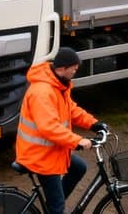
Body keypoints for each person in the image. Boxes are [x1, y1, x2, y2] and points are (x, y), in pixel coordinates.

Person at [16, 47, 108, 214]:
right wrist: (77, 141)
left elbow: (71, 110)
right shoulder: (43, 92)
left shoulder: (58, 85)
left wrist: (94, 124)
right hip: (39, 156)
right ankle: (55, 208)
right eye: (74, 67)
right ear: (63, 68)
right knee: (58, 206)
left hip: (49, 151)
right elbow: (49, 127)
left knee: (79, 168)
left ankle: (53, 206)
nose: (76, 70)